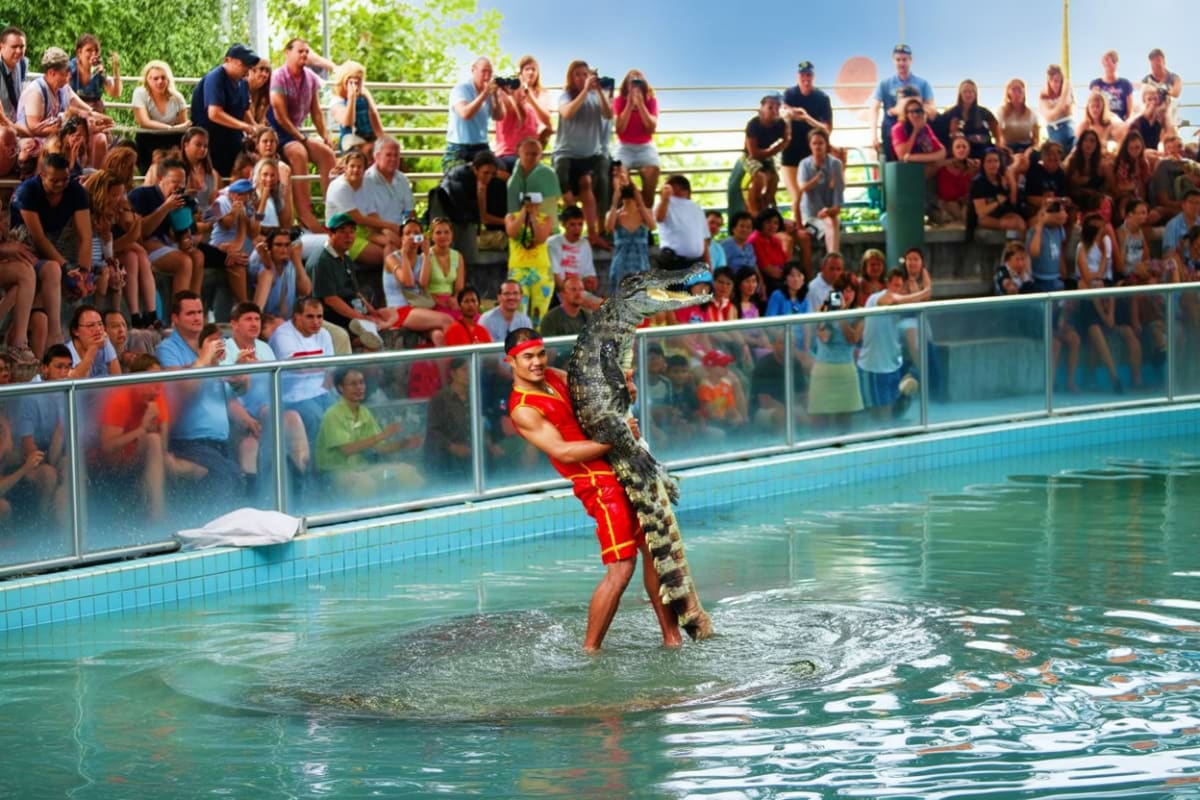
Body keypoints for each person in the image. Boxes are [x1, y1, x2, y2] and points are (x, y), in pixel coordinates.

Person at [505, 329, 682, 650]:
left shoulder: (557, 376)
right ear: (511, 362)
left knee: (656, 554)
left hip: (622, 467)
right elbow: (564, 453)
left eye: (540, 354)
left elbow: (605, 401)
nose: (537, 362)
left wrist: (625, 391)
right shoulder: (523, 408)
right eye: (528, 357)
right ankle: (590, 652)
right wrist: (615, 437)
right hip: (599, 485)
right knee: (621, 567)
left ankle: (673, 639)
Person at [154, 291, 241, 501]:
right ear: (175, 318)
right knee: (228, 480)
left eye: (200, 312)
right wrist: (203, 360)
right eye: (190, 313)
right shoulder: (167, 348)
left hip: (220, 440)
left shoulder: (212, 345)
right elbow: (183, 391)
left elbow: (232, 393)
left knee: (235, 479)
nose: (197, 318)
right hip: (188, 441)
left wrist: (240, 374)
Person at [12, 152, 87, 345]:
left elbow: (85, 236)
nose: (61, 185)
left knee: (70, 278)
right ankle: (55, 335)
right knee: (54, 269)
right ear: (42, 175)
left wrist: (84, 273)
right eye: (54, 181)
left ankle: (57, 334)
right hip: (26, 246)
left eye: (65, 179)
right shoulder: (27, 191)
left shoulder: (76, 190)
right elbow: (38, 238)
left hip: (58, 245)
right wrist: (68, 268)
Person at [308, 213, 409, 349]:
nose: (348, 236)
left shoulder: (346, 258)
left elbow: (356, 292)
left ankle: (368, 337)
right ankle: (360, 340)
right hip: (330, 317)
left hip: (352, 313)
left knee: (390, 316)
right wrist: (361, 317)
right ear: (330, 233)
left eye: (352, 232)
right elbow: (331, 300)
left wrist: (373, 311)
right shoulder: (322, 261)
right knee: (370, 338)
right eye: (343, 232)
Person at [315, 366, 421, 495]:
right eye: (353, 384)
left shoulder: (364, 412)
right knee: (365, 484)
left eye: (361, 382)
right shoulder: (332, 414)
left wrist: (403, 443)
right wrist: (382, 435)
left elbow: (379, 448)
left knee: (408, 473)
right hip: (336, 473)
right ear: (340, 388)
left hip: (362, 470)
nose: (359, 387)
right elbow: (347, 449)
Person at [268, 38, 337, 232]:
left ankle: (333, 212)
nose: (305, 55)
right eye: (300, 51)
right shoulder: (278, 76)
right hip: (277, 132)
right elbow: (280, 116)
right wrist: (301, 137)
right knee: (299, 153)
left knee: (326, 154)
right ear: (287, 53)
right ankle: (305, 214)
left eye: (307, 52)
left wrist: (325, 135)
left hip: (297, 131)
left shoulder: (310, 77)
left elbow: (315, 111)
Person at [15, 47, 114, 173]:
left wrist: (99, 118)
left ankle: (93, 181)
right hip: (36, 140)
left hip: (59, 134)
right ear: (51, 73)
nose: (68, 77)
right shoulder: (36, 91)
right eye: (64, 73)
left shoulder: (64, 88)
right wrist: (79, 129)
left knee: (99, 137)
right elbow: (35, 129)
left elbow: (86, 109)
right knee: (67, 142)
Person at [269, 295, 336, 463]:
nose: (316, 322)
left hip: (321, 392)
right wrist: (311, 366)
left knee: (343, 415)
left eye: (319, 316)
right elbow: (296, 367)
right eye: (310, 316)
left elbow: (330, 370)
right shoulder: (283, 335)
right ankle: (313, 478)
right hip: (293, 397)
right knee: (318, 421)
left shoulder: (324, 334)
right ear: (297, 317)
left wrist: (324, 391)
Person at [857, 267, 930, 419]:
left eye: (901, 286)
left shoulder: (901, 305)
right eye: (895, 285)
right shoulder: (878, 298)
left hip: (892, 366)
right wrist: (924, 292)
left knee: (890, 414)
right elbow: (894, 299)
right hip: (874, 368)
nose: (898, 289)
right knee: (879, 416)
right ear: (887, 284)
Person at [555, 60, 613, 248]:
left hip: (590, 154)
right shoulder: (565, 96)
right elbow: (568, 113)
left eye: (585, 74)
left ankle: (596, 231)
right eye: (577, 74)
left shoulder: (598, 95)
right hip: (566, 153)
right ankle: (573, 224)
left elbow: (609, 114)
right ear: (571, 78)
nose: (582, 78)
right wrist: (584, 92)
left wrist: (599, 93)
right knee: (562, 177)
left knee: (591, 182)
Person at [127, 156, 204, 297]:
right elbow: (140, 232)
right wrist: (166, 207)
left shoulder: (183, 199)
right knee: (184, 262)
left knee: (198, 256)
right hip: (143, 245)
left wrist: (187, 240)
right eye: (175, 182)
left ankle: (194, 305)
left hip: (166, 243)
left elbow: (187, 232)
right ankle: (179, 309)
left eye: (182, 183)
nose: (179, 187)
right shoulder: (142, 195)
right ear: (160, 178)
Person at [15, 344, 71, 519]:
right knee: (48, 474)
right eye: (59, 367)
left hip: (51, 453)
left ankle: (66, 523)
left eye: (68, 367)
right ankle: (41, 519)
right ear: (45, 368)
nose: (64, 373)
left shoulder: (67, 390)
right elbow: (27, 447)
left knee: (73, 466)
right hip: (23, 460)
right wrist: (51, 463)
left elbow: (65, 437)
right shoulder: (30, 396)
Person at [190, 44, 259, 177]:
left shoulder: (243, 83)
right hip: (211, 140)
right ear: (227, 60)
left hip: (233, 140)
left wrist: (255, 127)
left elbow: (244, 110)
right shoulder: (215, 78)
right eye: (243, 64)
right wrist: (244, 126)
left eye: (249, 65)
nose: (247, 69)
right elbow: (214, 113)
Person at [780, 61, 833, 225]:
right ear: (798, 76)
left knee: (814, 195)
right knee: (797, 196)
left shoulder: (822, 98)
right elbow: (784, 112)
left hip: (813, 154)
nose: (806, 79)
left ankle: (815, 228)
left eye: (808, 75)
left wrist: (806, 117)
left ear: (813, 76)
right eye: (802, 75)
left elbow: (827, 129)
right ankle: (800, 229)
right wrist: (790, 114)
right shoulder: (789, 93)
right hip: (791, 153)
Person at [324, 150, 397, 268]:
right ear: (345, 168)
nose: (356, 170)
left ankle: (397, 280)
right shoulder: (340, 187)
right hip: (341, 232)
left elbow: (371, 212)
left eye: (359, 167)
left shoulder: (366, 183)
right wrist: (389, 225)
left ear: (364, 169)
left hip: (361, 230)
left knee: (394, 243)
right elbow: (357, 218)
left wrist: (384, 230)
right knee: (386, 255)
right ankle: (392, 282)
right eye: (352, 166)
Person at [808, 275, 862, 427]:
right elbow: (823, 336)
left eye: (852, 291)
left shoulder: (859, 312)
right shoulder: (824, 310)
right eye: (844, 291)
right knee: (819, 424)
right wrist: (829, 309)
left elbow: (853, 338)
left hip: (846, 371)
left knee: (845, 423)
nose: (848, 295)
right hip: (823, 370)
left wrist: (842, 315)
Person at [871, 44, 935, 162]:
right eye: (898, 60)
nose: (901, 63)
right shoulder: (884, 84)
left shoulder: (922, 83)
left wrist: (915, 106)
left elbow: (932, 109)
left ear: (910, 60)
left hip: (915, 128)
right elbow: (874, 109)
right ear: (893, 61)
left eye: (904, 59)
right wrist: (873, 135)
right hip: (891, 130)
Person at [493, 56, 554, 174]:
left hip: (529, 150)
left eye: (534, 69)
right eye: (527, 69)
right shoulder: (507, 90)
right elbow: (505, 115)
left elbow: (548, 122)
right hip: (507, 152)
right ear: (520, 72)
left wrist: (529, 95)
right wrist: (508, 94)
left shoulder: (541, 94)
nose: (531, 72)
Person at [67, 34, 120, 167]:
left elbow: (115, 93)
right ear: (79, 52)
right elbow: (65, 98)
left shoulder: (98, 69)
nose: (94, 54)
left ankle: (94, 180)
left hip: (95, 113)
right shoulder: (70, 69)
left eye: (96, 50)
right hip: (75, 113)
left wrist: (116, 70)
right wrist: (88, 113)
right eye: (89, 50)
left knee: (101, 139)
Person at [505, 191, 555, 328]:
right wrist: (523, 214)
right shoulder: (511, 217)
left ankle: (538, 341)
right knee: (519, 310)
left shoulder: (546, 219)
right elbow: (512, 232)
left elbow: (540, 238)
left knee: (540, 312)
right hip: (518, 270)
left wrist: (533, 217)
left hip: (541, 270)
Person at [445, 57, 504, 173]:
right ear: (473, 70)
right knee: (460, 179)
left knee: (501, 174)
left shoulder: (489, 92)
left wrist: (496, 96)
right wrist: (484, 94)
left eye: (490, 72)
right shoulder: (460, 89)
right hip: (459, 147)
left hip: (481, 146)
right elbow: (465, 114)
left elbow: (498, 117)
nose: (487, 76)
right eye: (484, 71)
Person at [131, 60, 190, 172]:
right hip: (148, 137)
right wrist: (170, 128)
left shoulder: (177, 97)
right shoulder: (140, 93)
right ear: (147, 80)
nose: (160, 81)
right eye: (155, 78)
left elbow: (184, 125)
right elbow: (144, 122)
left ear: (168, 79)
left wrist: (174, 130)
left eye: (163, 78)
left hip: (173, 138)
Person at [612, 69, 660, 206]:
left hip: (645, 146)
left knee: (653, 171)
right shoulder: (619, 101)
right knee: (619, 174)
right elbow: (619, 129)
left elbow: (651, 128)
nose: (635, 85)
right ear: (626, 85)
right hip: (624, 146)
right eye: (632, 82)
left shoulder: (651, 101)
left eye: (639, 82)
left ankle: (646, 212)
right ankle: (628, 209)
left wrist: (641, 105)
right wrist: (629, 105)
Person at [606, 168, 654, 290]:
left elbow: (652, 225)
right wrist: (614, 202)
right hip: (620, 266)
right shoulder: (615, 214)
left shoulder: (645, 212)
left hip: (641, 265)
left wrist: (640, 202)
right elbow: (609, 228)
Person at [424, 357, 472, 478]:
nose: (469, 374)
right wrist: (453, 447)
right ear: (453, 374)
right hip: (448, 455)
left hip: (473, 452)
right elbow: (433, 432)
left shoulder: (475, 395)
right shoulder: (440, 399)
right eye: (465, 370)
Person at [742, 93, 790, 217]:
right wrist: (774, 149)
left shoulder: (781, 124)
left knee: (774, 180)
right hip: (750, 157)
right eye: (770, 107)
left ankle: (765, 208)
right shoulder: (753, 124)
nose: (774, 111)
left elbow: (787, 139)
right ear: (762, 108)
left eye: (777, 107)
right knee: (760, 177)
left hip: (768, 156)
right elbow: (753, 153)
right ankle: (753, 211)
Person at [249, 225, 311, 319]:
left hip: (293, 320)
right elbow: (258, 310)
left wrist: (297, 260)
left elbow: (306, 291)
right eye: (278, 245)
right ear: (269, 247)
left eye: (287, 245)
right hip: (270, 321)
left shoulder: (290, 263)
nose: (284, 249)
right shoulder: (265, 268)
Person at [798, 129, 844, 254]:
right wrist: (816, 179)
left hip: (829, 214)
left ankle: (832, 256)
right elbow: (802, 188)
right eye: (814, 143)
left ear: (826, 145)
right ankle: (834, 256)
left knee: (831, 220)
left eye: (821, 143)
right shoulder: (804, 164)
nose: (818, 146)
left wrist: (828, 211)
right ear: (810, 145)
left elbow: (838, 203)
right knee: (830, 222)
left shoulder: (835, 164)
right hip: (810, 217)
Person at [361, 136, 414, 232]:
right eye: (388, 155)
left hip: (401, 231)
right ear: (377, 156)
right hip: (378, 231)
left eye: (396, 155)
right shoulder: (366, 180)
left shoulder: (402, 179)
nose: (393, 159)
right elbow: (370, 218)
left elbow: (410, 212)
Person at [330, 60, 383, 155]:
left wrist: (382, 138)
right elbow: (348, 122)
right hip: (350, 140)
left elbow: (373, 115)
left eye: (359, 82)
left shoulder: (364, 94)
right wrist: (351, 98)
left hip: (369, 136)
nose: (356, 86)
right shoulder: (337, 100)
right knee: (364, 150)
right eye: (352, 82)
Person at [547, 206, 599, 298]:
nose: (577, 229)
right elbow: (556, 278)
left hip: (579, 292)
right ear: (563, 224)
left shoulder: (584, 244)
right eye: (572, 224)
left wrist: (590, 282)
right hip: (559, 293)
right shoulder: (553, 243)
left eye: (580, 224)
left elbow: (590, 275)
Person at [655, 174, 708, 264]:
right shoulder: (664, 204)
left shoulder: (696, 208)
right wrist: (665, 199)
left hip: (696, 261)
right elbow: (659, 218)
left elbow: (704, 238)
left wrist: (708, 263)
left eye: (682, 188)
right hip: (673, 260)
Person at [969, 149, 1025, 234]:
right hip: (986, 217)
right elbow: (981, 212)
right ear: (983, 164)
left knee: (1020, 223)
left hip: (1003, 213)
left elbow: (1013, 203)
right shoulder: (978, 183)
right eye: (989, 161)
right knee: (1012, 224)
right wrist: (997, 202)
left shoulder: (1002, 178)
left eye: (996, 161)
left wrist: (1011, 181)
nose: (993, 164)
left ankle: (1017, 246)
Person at [419, 216, 467, 316]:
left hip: (451, 302)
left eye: (446, 232)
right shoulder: (426, 255)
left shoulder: (458, 256)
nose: (443, 236)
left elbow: (459, 288)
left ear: (452, 234)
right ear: (432, 236)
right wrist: (438, 301)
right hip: (432, 302)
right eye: (438, 233)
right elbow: (423, 287)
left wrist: (455, 299)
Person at [505, 136, 560, 219]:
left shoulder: (549, 174)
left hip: (546, 225)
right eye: (527, 154)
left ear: (541, 155)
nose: (530, 157)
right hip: (518, 224)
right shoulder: (513, 180)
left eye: (535, 154)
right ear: (519, 154)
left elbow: (552, 202)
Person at [942, 79, 998, 159]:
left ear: (975, 94)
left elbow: (996, 129)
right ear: (960, 94)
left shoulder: (984, 112)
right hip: (960, 153)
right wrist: (952, 133)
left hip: (984, 151)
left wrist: (999, 142)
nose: (968, 95)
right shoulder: (950, 113)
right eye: (965, 92)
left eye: (971, 92)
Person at [0, 27, 28, 177]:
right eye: (14, 47)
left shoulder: (23, 64)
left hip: (15, 122)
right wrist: (21, 130)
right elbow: (1, 117)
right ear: (1, 47)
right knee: (7, 134)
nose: (18, 51)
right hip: (4, 125)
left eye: (22, 47)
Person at [891, 97, 945, 175]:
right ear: (906, 114)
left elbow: (941, 152)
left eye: (918, 111)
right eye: (911, 112)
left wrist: (911, 158)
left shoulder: (925, 127)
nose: (915, 115)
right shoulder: (898, 128)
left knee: (941, 164)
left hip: (923, 166)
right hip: (904, 170)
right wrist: (915, 131)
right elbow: (902, 156)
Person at [933, 134, 978, 224]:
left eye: (964, 147)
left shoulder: (974, 166)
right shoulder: (944, 167)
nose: (961, 149)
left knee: (968, 209)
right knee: (954, 206)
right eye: (958, 147)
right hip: (948, 203)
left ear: (968, 149)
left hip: (967, 202)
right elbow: (947, 194)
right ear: (952, 150)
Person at [1027, 200, 1071, 291]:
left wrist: (1063, 272)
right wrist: (1039, 227)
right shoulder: (1035, 230)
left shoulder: (1060, 229)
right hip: (1039, 279)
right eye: (1061, 211)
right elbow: (1034, 253)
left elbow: (1060, 252)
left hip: (1056, 278)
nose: (1065, 215)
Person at [65, 304, 119, 378]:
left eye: (100, 324)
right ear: (75, 331)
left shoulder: (104, 340)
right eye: (90, 325)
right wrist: (94, 347)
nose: (98, 329)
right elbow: (74, 381)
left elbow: (117, 377)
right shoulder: (65, 353)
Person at [1039, 65, 1076, 155]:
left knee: (1078, 143)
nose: (1054, 84)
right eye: (1051, 80)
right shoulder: (1044, 94)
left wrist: (1054, 109)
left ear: (1061, 80)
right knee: (1059, 147)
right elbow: (1050, 117)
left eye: (1057, 81)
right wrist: (1061, 109)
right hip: (1053, 128)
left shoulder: (1067, 87)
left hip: (1068, 126)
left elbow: (1070, 111)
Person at [1090, 50, 1136, 121]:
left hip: (1119, 124)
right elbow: (1092, 107)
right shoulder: (1096, 84)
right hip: (1102, 123)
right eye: (1104, 63)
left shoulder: (1126, 84)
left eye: (1109, 62)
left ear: (1116, 63)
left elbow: (1129, 113)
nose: (1106, 65)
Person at [1126, 85, 1174, 153]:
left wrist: (1165, 112)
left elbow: (1171, 135)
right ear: (1144, 100)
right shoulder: (1138, 117)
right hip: (1137, 152)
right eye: (1149, 99)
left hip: (1154, 152)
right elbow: (1128, 127)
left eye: (1155, 99)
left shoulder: (1160, 117)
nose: (1153, 102)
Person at [997, 79, 1039, 155]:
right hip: (1008, 147)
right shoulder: (1002, 111)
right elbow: (998, 135)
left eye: (1019, 90)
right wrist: (1005, 148)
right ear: (1008, 93)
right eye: (1013, 90)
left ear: (1024, 93)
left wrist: (1029, 150)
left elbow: (1036, 138)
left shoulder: (1032, 113)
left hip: (1027, 147)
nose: (1017, 93)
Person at [1143, 48, 1182, 125]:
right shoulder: (1146, 80)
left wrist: (1164, 91)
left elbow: (1176, 93)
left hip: (1170, 117)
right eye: (1153, 63)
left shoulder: (1174, 78)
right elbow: (1143, 98)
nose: (1156, 65)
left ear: (1164, 61)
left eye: (1158, 61)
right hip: (1153, 118)